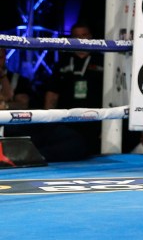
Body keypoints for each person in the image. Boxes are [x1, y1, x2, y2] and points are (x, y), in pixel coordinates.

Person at [40, 22, 105, 159]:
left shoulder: (104, 61)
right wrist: (48, 123)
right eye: (76, 36)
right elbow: (52, 93)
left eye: (84, 35)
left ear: (91, 36)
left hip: (95, 120)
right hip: (68, 120)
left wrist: (107, 126)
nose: (81, 39)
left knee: (94, 157)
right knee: (69, 150)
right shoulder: (63, 62)